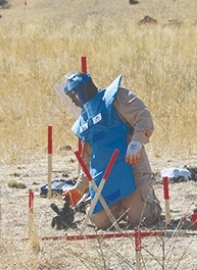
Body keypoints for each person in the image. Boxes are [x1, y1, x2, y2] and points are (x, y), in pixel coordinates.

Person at [56, 72, 161, 229]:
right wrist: (79, 189)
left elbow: (142, 115)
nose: (73, 100)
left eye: (74, 95)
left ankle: (150, 205)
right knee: (100, 222)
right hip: (105, 177)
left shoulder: (115, 98)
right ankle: (120, 209)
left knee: (141, 220)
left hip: (132, 169)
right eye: (70, 97)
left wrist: (137, 141)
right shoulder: (85, 121)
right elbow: (88, 161)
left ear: (83, 89)